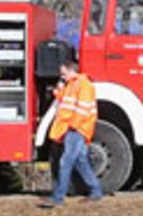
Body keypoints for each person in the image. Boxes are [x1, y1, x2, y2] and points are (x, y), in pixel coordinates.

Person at [40, 59, 104, 208]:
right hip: (75, 128)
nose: (62, 77)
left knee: (66, 161)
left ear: (71, 70)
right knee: (80, 161)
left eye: (64, 74)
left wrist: (73, 127)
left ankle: (58, 197)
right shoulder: (74, 84)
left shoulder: (84, 85)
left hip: (77, 128)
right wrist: (59, 90)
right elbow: (66, 100)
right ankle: (96, 190)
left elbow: (82, 109)